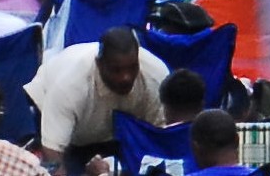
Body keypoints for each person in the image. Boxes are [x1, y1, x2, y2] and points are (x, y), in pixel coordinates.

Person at [29, 28, 168, 167]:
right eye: (116, 70)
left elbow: (159, 141)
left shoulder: (155, 76)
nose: (126, 77)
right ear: (99, 64)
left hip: (115, 131)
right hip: (65, 124)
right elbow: (54, 158)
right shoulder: (70, 85)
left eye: (132, 67)